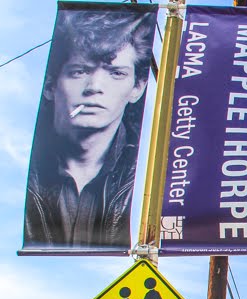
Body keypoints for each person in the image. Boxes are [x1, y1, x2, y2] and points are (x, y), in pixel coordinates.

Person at [23, 9, 154, 251]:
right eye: (80, 71)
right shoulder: (30, 175)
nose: (95, 87)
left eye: (116, 73)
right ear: (51, 85)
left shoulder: (144, 179)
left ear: (137, 87)